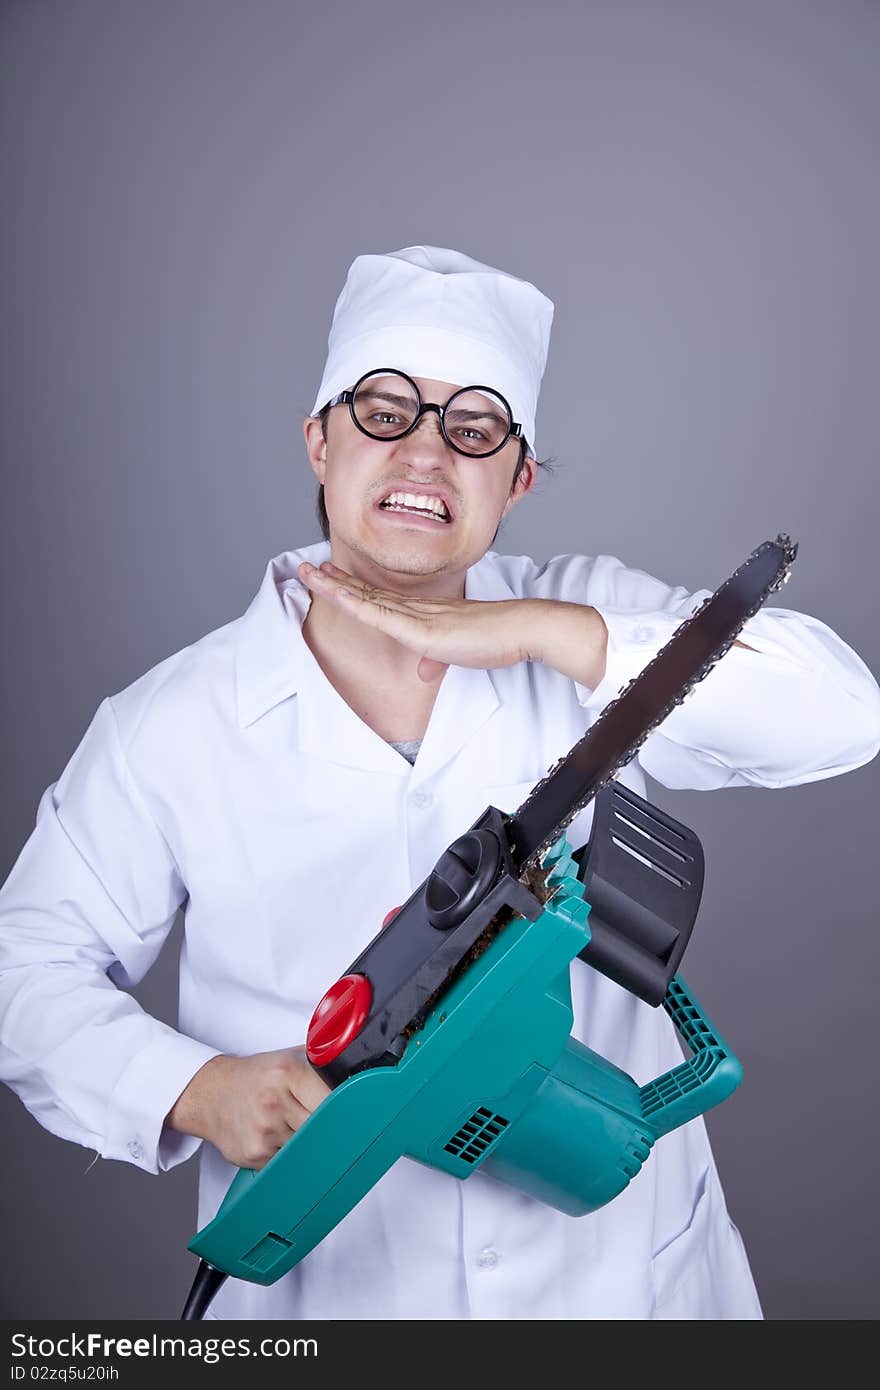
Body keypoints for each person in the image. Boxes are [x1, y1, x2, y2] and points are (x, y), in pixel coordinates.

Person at [1, 245, 878, 1322]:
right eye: (382, 411)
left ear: (517, 480)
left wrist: (530, 629)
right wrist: (193, 1088)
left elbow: (843, 716)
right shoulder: (168, 726)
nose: (424, 452)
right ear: (317, 440)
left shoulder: (587, 627)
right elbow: (22, 971)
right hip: (335, 1298)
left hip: (621, 1287)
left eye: (473, 427)